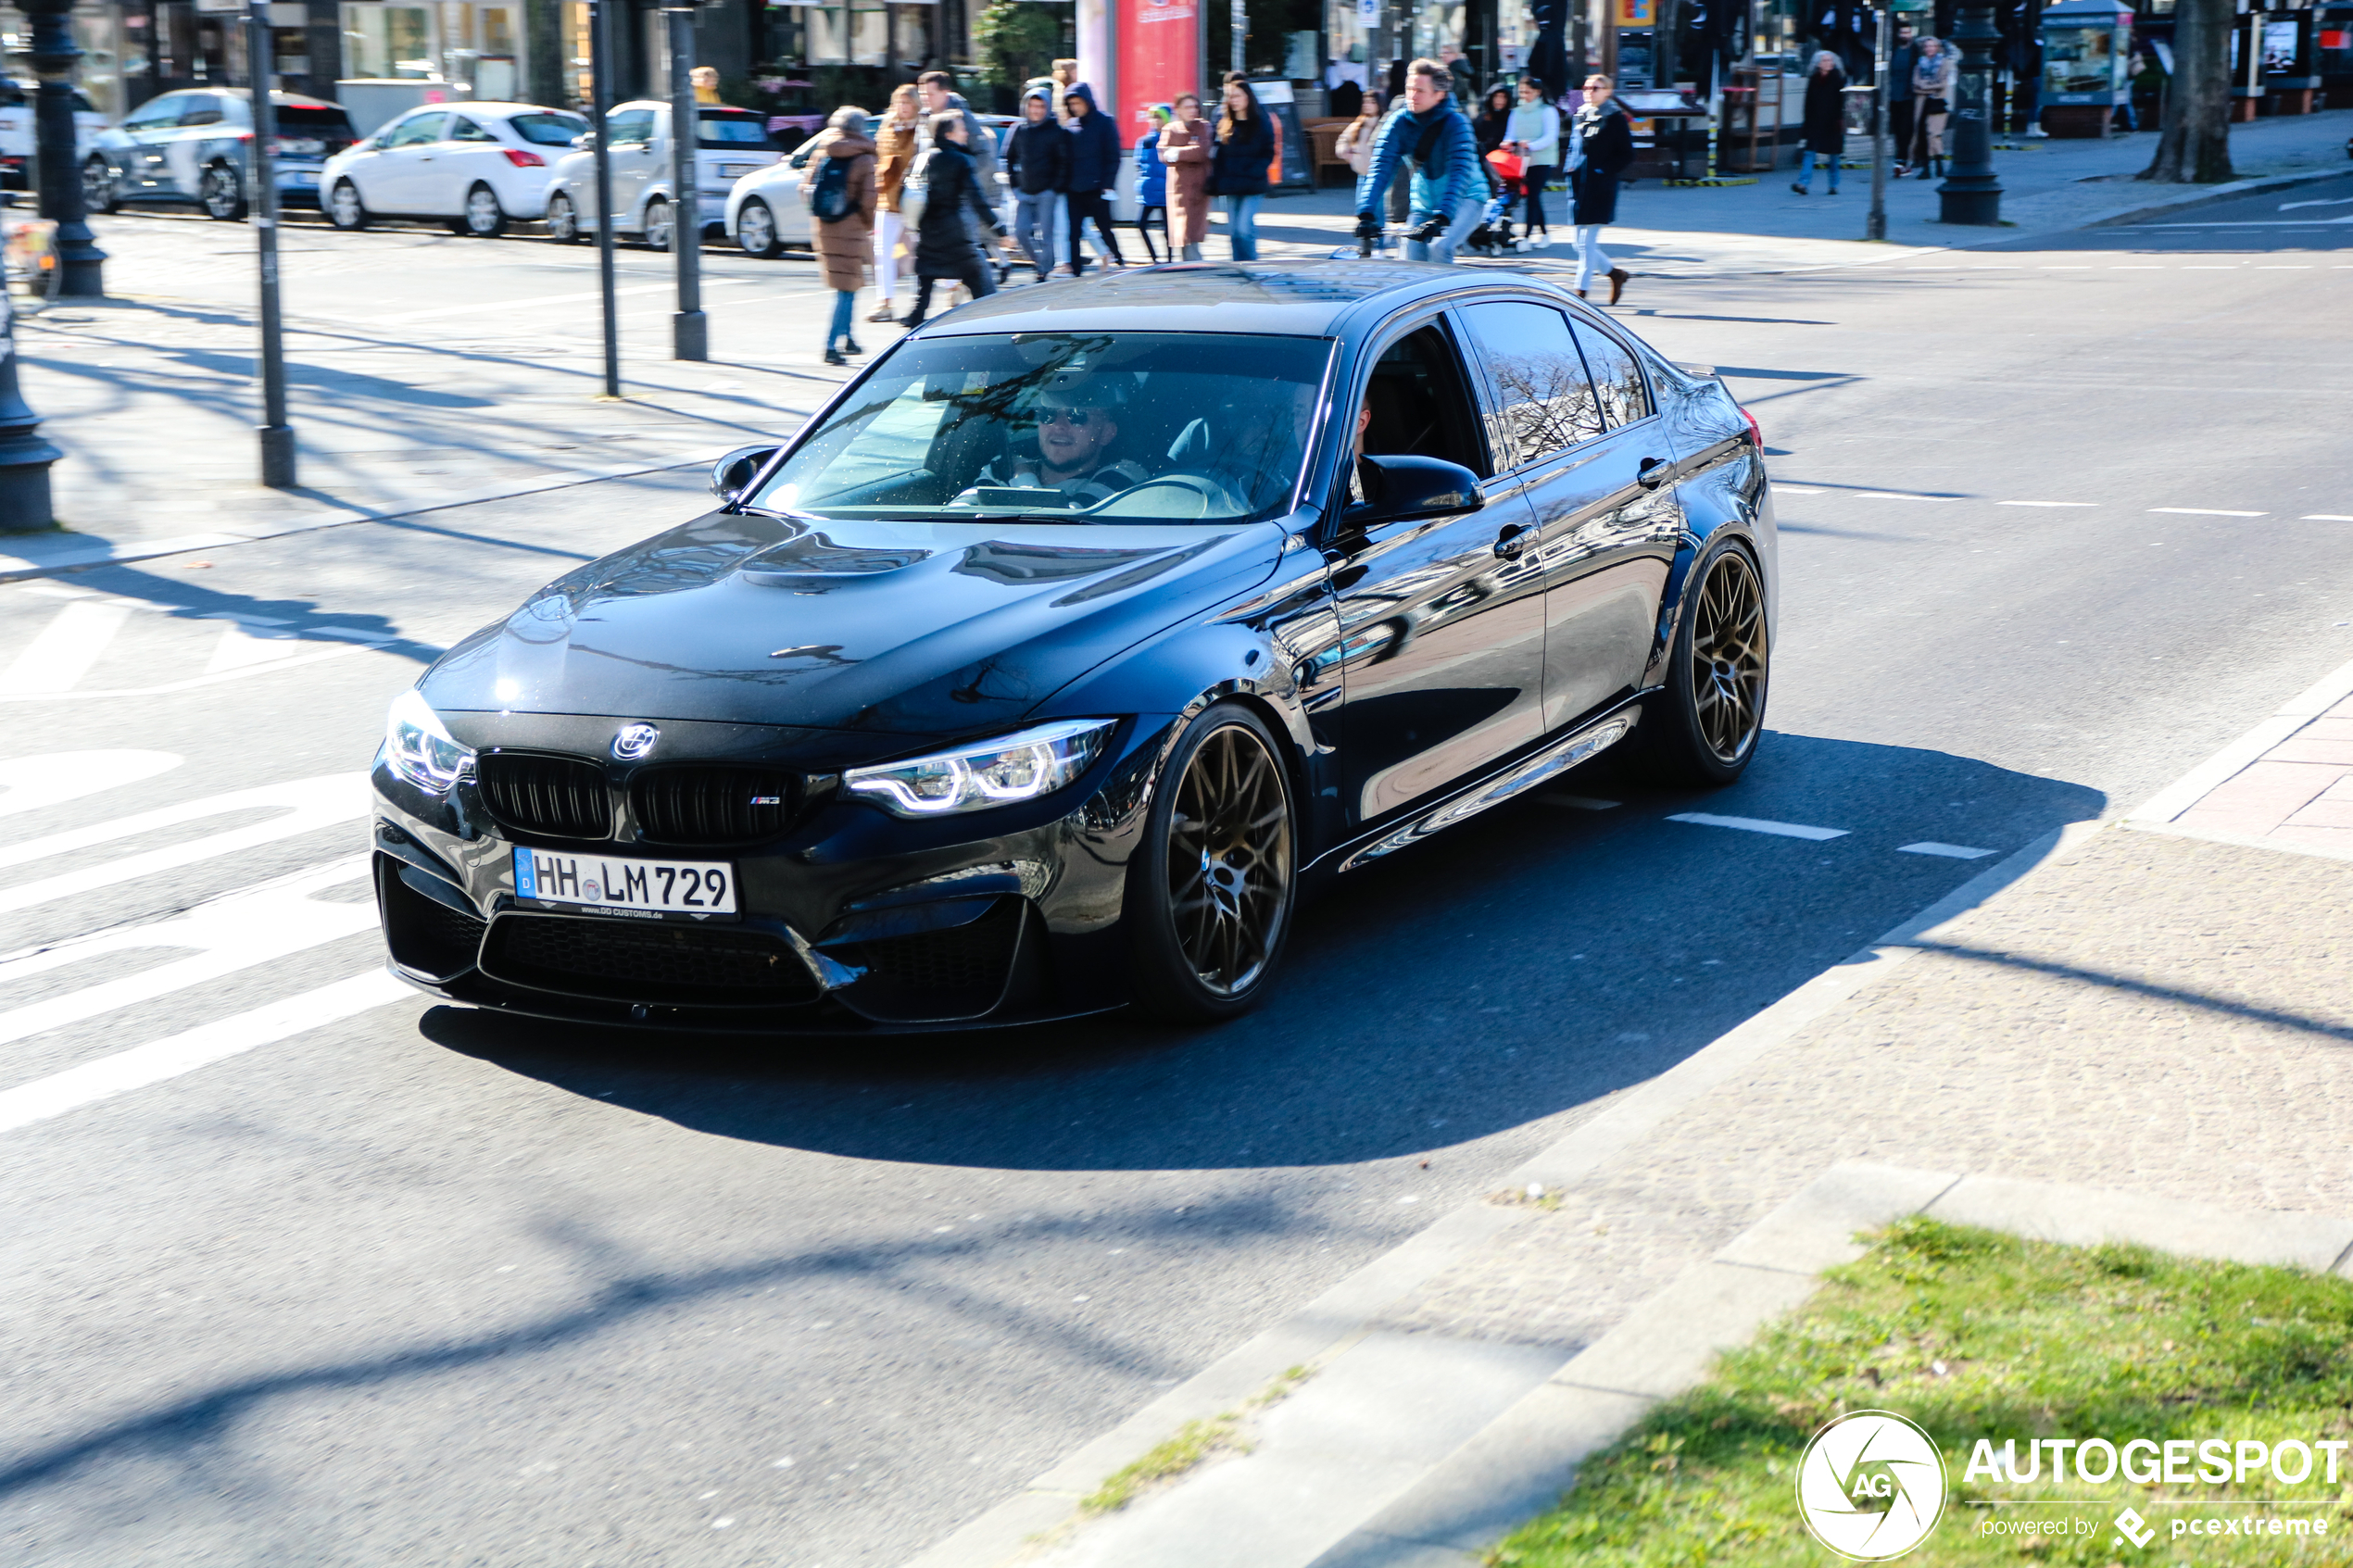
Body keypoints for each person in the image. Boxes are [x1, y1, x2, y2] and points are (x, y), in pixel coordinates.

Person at [1354, 56, 1481, 264]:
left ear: (1439, 95)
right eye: (1409, 89)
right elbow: (1381, 168)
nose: (1412, 96)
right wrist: (1367, 213)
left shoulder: (1456, 124)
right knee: (1411, 258)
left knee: (1440, 247)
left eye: (1420, 91)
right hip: (1425, 202)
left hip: (1465, 198)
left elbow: (1460, 174)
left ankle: (1448, 295)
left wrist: (1442, 219)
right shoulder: (1399, 122)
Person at [900, 110, 1002, 329]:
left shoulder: (922, 158)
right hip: (956, 236)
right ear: (948, 134)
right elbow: (978, 200)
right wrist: (1000, 230)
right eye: (960, 128)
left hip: (928, 233)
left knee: (925, 286)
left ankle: (914, 326)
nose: (965, 132)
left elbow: (907, 191)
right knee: (982, 283)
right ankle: (994, 326)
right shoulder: (960, 160)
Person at [974, 379, 1150, 505]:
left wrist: (1023, 475)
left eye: (1076, 416)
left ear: (1107, 433)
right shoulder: (1002, 467)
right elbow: (960, 512)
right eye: (1047, 415)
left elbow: (1062, 522)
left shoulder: (1125, 476)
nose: (1058, 426)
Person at [801, 105, 876, 366]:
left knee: (849, 284)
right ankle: (831, 346)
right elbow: (868, 199)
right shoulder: (865, 158)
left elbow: (806, 189)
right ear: (860, 128)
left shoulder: (822, 153)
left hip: (826, 226)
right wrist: (866, 224)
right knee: (846, 289)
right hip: (852, 224)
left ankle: (848, 338)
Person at [1564, 72, 1631, 303]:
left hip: (1600, 186)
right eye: (1586, 87)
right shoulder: (1580, 114)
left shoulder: (1615, 117)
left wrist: (1603, 171)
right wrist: (1570, 168)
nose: (1589, 91)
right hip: (1578, 185)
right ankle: (1616, 274)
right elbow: (1575, 148)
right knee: (1577, 243)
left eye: (1596, 88)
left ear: (1608, 92)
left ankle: (1580, 293)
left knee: (1586, 243)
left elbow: (1627, 154)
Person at [1004, 83, 1068, 282]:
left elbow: (1064, 162)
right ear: (1026, 107)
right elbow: (1009, 158)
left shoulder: (1055, 131)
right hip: (1024, 191)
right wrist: (1014, 185)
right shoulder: (1019, 129)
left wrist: (1055, 187)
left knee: (1047, 236)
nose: (1036, 110)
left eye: (1041, 106)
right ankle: (1039, 263)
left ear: (1047, 108)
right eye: (1032, 106)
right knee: (1021, 232)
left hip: (1047, 192)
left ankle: (1045, 272)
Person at [1060, 84, 1126, 274]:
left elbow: (1113, 156)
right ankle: (1076, 273)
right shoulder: (1071, 125)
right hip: (1074, 189)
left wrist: (1107, 185)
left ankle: (1119, 262)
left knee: (1105, 228)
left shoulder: (1104, 122)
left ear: (1087, 101)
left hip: (1097, 188)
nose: (1075, 107)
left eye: (1077, 102)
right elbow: (1065, 157)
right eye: (1071, 104)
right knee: (1073, 233)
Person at [1211, 74, 1275, 261]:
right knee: (1234, 231)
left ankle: (1251, 266)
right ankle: (1238, 266)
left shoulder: (1261, 120)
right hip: (1231, 183)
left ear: (1248, 98)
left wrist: (1255, 170)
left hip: (1253, 183)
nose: (1234, 100)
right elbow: (1220, 154)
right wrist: (1218, 179)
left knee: (1244, 228)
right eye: (1231, 96)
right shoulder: (1226, 123)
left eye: (1238, 96)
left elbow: (1268, 151)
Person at [870, 83, 920, 322]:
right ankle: (885, 303)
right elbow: (881, 157)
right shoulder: (887, 127)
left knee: (923, 251)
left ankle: (953, 287)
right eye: (900, 102)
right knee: (883, 253)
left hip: (914, 199)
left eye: (908, 103)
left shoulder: (922, 128)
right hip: (888, 199)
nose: (903, 107)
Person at [1504, 78, 1559, 241]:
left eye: (1528, 92)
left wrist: (1531, 145)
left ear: (1537, 92)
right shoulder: (1516, 112)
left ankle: (1527, 235)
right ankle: (1544, 234)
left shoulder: (1548, 111)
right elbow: (1510, 133)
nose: (1524, 95)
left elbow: (1551, 136)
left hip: (1542, 159)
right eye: (1521, 92)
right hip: (1520, 160)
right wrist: (1508, 142)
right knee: (1532, 197)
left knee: (1533, 196)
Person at [1162, 92, 1214, 261]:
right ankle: (1192, 269)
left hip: (1199, 187)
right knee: (1182, 234)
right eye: (1187, 107)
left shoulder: (1203, 126)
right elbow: (1163, 154)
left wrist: (1176, 152)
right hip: (1179, 189)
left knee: (1193, 233)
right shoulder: (1170, 128)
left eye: (1195, 107)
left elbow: (1202, 151)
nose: (1192, 110)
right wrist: (1186, 151)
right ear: (1178, 110)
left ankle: (1197, 269)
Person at [1792, 50, 1846, 195]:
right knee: (1809, 152)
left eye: (1830, 60)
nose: (1828, 63)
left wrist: (1840, 122)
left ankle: (1834, 185)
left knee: (1833, 156)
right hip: (1815, 122)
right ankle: (1803, 183)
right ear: (1818, 64)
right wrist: (1806, 123)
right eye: (1825, 60)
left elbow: (1843, 103)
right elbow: (1808, 103)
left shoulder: (1838, 79)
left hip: (1833, 123)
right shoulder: (1814, 80)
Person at [1909, 35, 1952, 179]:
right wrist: (1930, 87)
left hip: (1937, 103)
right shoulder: (1919, 64)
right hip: (1921, 104)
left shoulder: (1944, 63)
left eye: (1932, 46)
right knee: (1921, 136)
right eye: (1927, 46)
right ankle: (1926, 168)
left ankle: (1940, 166)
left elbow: (1942, 84)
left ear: (1937, 47)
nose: (1929, 49)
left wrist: (1925, 86)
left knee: (1934, 135)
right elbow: (1915, 85)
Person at [1133, 104, 1170, 264]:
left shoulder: (1172, 139)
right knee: (1140, 225)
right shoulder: (1145, 140)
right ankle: (1155, 259)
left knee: (1169, 230)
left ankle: (1169, 260)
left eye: (1159, 116)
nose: (1155, 120)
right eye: (1153, 117)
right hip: (1149, 190)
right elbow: (1138, 161)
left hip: (1166, 190)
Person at [1887, 22, 1918, 175]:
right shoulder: (1894, 49)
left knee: (1907, 129)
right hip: (1894, 95)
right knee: (1898, 129)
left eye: (1908, 32)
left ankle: (1902, 160)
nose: (1905, 35)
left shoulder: (1915, 51)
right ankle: (1900, 159)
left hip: (1909, 95)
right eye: (1903, 32)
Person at [1336, 90, 1383, 181]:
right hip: (1361, 171)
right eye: (1365, 102)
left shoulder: (1383, 124)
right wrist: (1347, 153)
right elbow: (1343, 140)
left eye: (1372, 102)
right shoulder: (1358, 124)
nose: (1367, 105)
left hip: (1379, 173)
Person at [1474, 85, 1514, 158]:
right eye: (1496, 96)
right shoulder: (1481, 119)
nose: (1499, 100)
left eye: (1503, 97)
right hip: (1485, 159)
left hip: (1507, 160)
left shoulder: (1513, 117)